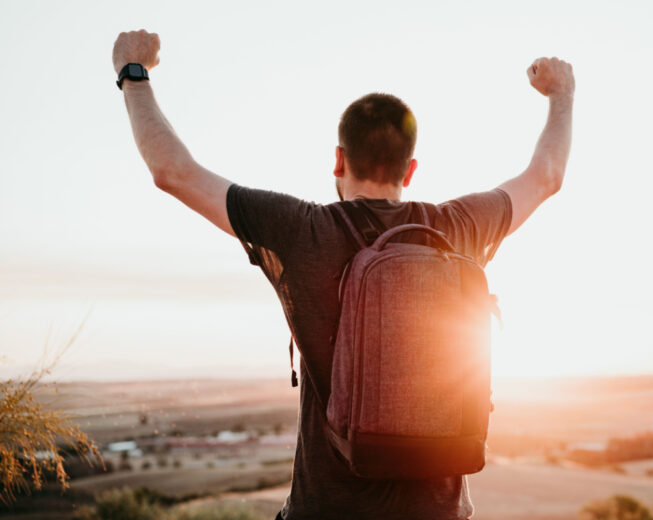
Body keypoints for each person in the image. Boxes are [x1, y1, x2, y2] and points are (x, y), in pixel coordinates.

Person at [113, 29, 574, 520]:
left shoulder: (302, 230)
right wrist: (561, 93)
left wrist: (132, 71)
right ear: (410, 169)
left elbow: (172, 170)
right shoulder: (455, 228)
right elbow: (547, 175)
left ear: (338, 158)